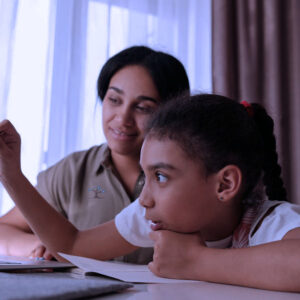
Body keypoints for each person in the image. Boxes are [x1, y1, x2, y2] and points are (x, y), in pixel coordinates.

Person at [1, 94, 300, 292]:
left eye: (160, 176)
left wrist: (196, 261)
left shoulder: (269, 222)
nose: (144, 198)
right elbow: (74, 244)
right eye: (146, 177)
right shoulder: (153, 217)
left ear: (224, 185)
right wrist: (10, 174)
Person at [0, 45, 190, 263]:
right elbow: (6, 229)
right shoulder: (73, 171)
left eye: (143, 107)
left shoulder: (186, 179)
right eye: (114, 100)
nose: (122, 118)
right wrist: (39, 245)